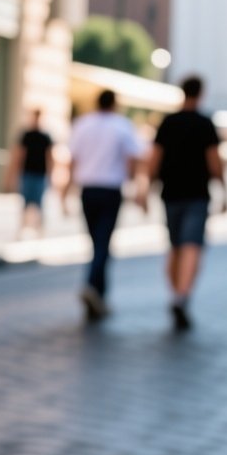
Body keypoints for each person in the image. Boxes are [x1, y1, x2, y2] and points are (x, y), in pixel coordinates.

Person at [144, 76, 226, 331]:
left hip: (170, 193)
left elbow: (154, 160)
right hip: (197, 194)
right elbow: (215, 161)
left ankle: (175, 294)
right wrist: (225, 190)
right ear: (201, 93)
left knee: (175, 246)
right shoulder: (205, 123)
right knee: (192, 246)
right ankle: (182, 295)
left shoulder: (168, 122)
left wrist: (145, 189)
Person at [64, 90, 147, 323]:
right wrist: (139, 189)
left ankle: (99, 295)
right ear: (115, 104)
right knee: (103, 243)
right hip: (110, 189)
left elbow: (72, 160)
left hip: (88, 189)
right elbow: (135, 159)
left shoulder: (83, 124)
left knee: (96, 242)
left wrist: (65, 191)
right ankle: (93, 286)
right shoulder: (122, 126)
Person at [7, 109, 54, 237]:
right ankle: (22, 229)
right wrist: (13, 174)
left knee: (39, 203)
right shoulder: (26, 135)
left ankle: (40, 230)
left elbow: (50, 157)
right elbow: (19, 155)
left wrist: (51, 175)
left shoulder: (46, 136)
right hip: (27, 173)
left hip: (40, 174)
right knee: (25, 202)